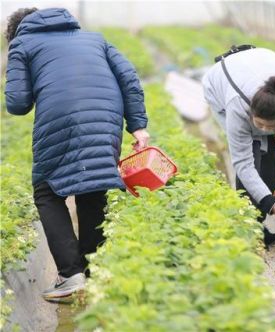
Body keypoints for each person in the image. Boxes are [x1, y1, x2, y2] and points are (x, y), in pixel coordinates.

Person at [4, 7, 150, 302]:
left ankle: (70, 274)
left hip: (60, 119)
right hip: (105, 117)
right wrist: (137, 127)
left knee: (47, 191)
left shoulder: (22, 43)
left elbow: (17, 103)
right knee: (93, 187)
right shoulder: (94, 39)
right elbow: (129, 78)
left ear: (17, 31)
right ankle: (93, 272)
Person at [202, 46, 275, 247]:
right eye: (259, 123)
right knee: (252, 153)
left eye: (269, 125)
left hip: (257, 64)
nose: (263, 128)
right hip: (221, 84)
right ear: (250, 113)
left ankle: (260, 215)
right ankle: (250, 227)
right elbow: (243, 163)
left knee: (273, 151)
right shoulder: (237, 109)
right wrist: (270, 203)